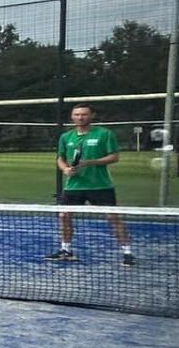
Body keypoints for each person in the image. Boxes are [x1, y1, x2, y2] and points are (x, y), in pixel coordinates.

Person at [47, 104, 135, 265]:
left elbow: (114, 157)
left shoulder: (104, 134)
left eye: (84, 114)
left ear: (92, 116)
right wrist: (65, 169)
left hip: (100, 186)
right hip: (74, 186)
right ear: (72, 117)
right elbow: (60, 158)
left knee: (113, 218)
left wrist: (89, 162)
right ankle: (66, 250)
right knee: (64, 216)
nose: (80, 117)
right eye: (77, 114)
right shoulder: (66, 137)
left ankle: (127, 252)